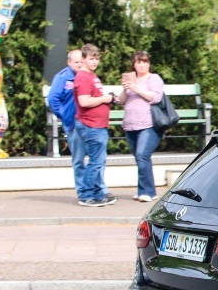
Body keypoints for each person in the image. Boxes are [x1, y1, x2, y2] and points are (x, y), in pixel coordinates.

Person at [115, 51, 165, 202]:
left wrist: (136, 88)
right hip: (131, 124)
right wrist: (125, 89)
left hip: (148, 124)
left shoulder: (153, 78)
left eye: (144, 62)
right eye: (138, 62)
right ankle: (147, 190)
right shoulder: (132, 79)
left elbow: (155, 97)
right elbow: (121, 101)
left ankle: (147, 192)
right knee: (140, 158)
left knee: (142, 155)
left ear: (149, 63)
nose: (141, 65)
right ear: (134, 65)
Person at [72, 43, 117, 207]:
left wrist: (109, 100)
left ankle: (98, 194)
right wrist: (105, 99)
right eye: (91, 59)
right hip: (91, 125)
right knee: (95, 162)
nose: (95, 62)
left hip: (98, 125)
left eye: (97, 59)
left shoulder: (92, 76)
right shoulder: (83, 77)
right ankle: (86, 195)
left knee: (98, 161)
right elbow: (84, 101)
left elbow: (94, 98)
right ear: (83, 59)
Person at [47, 49, 89, 203]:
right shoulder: (63, 77)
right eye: (76, 62)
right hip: (73, 124)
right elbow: (53, 99)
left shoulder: (85, 76)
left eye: (81, 62)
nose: (79, 65)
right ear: (69, 62)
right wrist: (64, 115)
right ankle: (82, 192)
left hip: (88, 123)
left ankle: (97, 189)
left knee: (95, 160)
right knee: (78, 159)